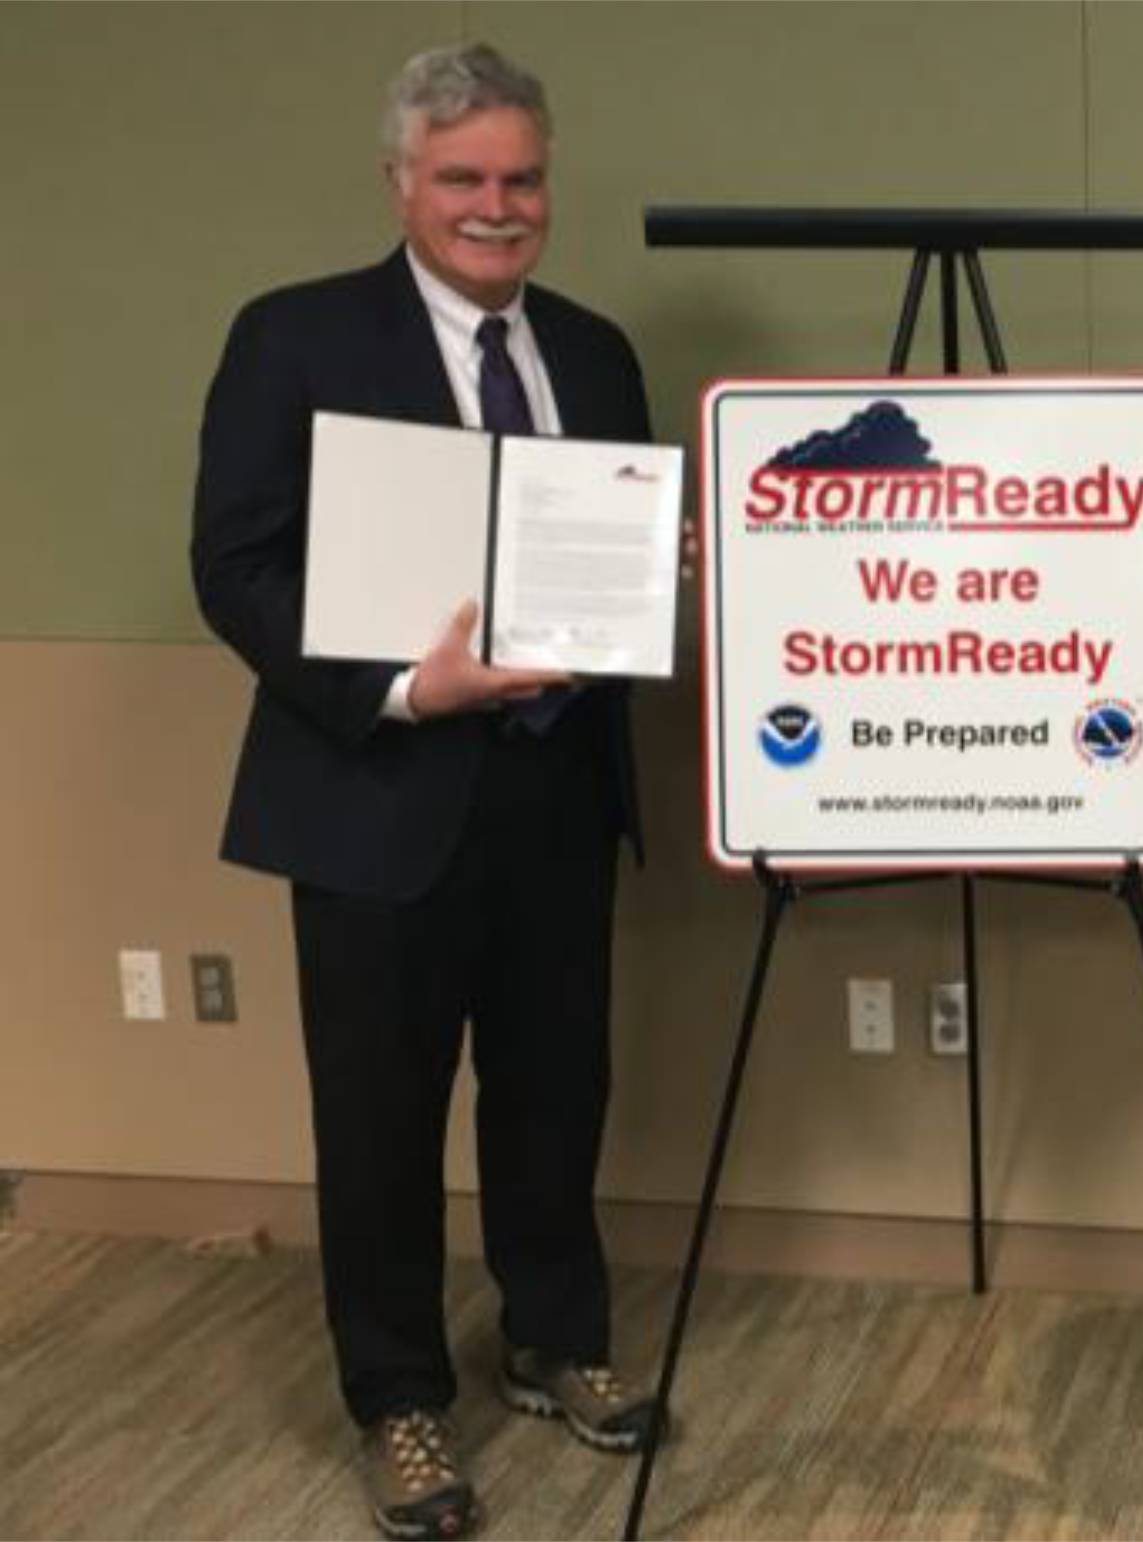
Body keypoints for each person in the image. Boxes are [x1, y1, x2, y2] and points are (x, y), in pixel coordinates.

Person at [191, 42, 661, 1541]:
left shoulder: (591, 352)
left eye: (521, 178)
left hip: (555, 800)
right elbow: (235, 563)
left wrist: (656, 577)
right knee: (380, 1117)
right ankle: (397, 1397)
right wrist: (397, 686)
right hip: (375, 789)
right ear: (402, 183)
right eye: (463, 178)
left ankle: (550, 1336)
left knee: (553, 1090)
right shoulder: (294, 338)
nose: (496, 205)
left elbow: (601, 553)